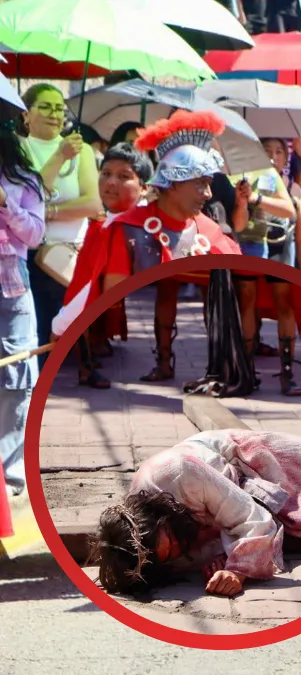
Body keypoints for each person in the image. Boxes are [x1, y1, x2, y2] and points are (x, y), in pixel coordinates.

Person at [90, 429, 301, 597]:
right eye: (168, 555)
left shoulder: (179, 472)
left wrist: (237, 570)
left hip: (253, 460)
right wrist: (222, 561)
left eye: (171, 542)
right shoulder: (149, 546)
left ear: (159, 516)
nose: (178, 552)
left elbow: (253, 519)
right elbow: (200, 547)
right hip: (231, 497)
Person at [50, 111, 240, 379]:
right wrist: (63, 327)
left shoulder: (210, 229)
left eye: (208, 184)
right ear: (172, 184)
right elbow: (94, 292)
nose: (208, 194)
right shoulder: (125, 229)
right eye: (200, 183)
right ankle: (157, 362)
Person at [20, 84, 102, 369]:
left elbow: (93, 204)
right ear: (26, 113)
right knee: (31, 326)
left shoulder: (83, 151)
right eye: (45, 106)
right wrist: (59, 157)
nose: (55, 114)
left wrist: (45, 212)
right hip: (27, 252)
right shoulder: (16, 148)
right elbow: (32, 193)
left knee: (59, 325)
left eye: (59, 108)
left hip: (66, 254)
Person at [60, 144, 154, 390]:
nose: (111, 182)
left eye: (124, 177)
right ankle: (85, 366)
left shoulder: (137, 224)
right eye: (106, 174)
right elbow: (86, 284)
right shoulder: (100, 226)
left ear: (144, 187)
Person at [231, 136, 301, 396]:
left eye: (279, 152)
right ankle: (247, 371)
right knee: (247, 302)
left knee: (284, 304)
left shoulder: (288, 184)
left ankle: (287, 373)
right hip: (249, 245)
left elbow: (295, 218)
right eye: (267, 150)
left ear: (286, 159)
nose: (273, 156)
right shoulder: (239, 175)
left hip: (279, 245)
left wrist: (255, 199)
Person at [0, 108, 46, 500]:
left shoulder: (24, 181)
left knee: (17, 379)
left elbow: (34, 234)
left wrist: (5, 204)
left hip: (12, 292)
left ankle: (11, 475)